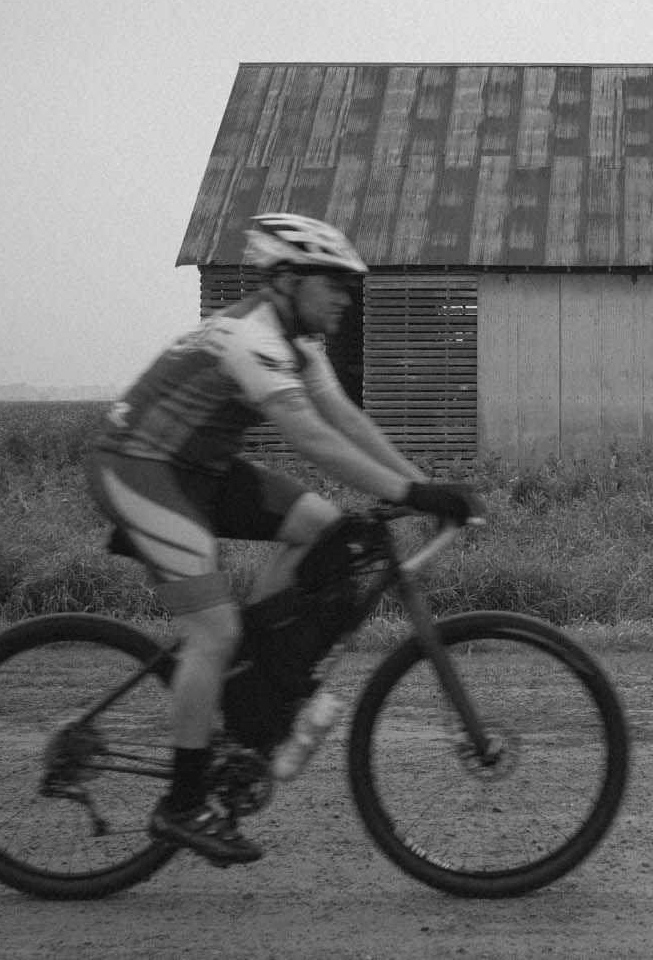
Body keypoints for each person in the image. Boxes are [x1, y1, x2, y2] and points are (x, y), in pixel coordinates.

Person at [84, 213, 473, 866]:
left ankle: (247, 679)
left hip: (199, 469)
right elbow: (314, 439)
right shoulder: (252, 338)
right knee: (211, 634)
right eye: (334, 283)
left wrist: (423, 486)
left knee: (325, 530)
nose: (345, 297)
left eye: (349, 285)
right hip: (138, 469)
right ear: (288, 279)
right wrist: (410, 495)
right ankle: (182, 804)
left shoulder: (299, 345)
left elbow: (346, 420)